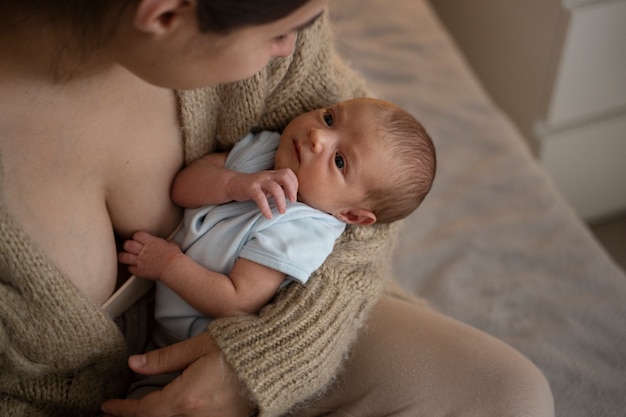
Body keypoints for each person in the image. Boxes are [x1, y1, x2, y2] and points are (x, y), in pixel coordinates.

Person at [0, 1, 554, 417]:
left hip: (270, 320)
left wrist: (262, 363)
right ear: (166, 15)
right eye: (281, 33)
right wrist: (235, 184)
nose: (292, 46)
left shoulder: (278, 34)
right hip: (87, 392)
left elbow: (375, 203)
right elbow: (201, 184)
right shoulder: (275, 148)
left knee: (508, 393)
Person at [118, 97, 436, 369]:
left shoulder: (303, 230)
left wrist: (168, 264)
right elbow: (181, 189)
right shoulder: (267, 146)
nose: (317, 136)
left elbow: (236, 300)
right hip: (154, 302)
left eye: (339, 161)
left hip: (190, 349)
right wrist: (233, 183)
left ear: (350, 214)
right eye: (329, 118)